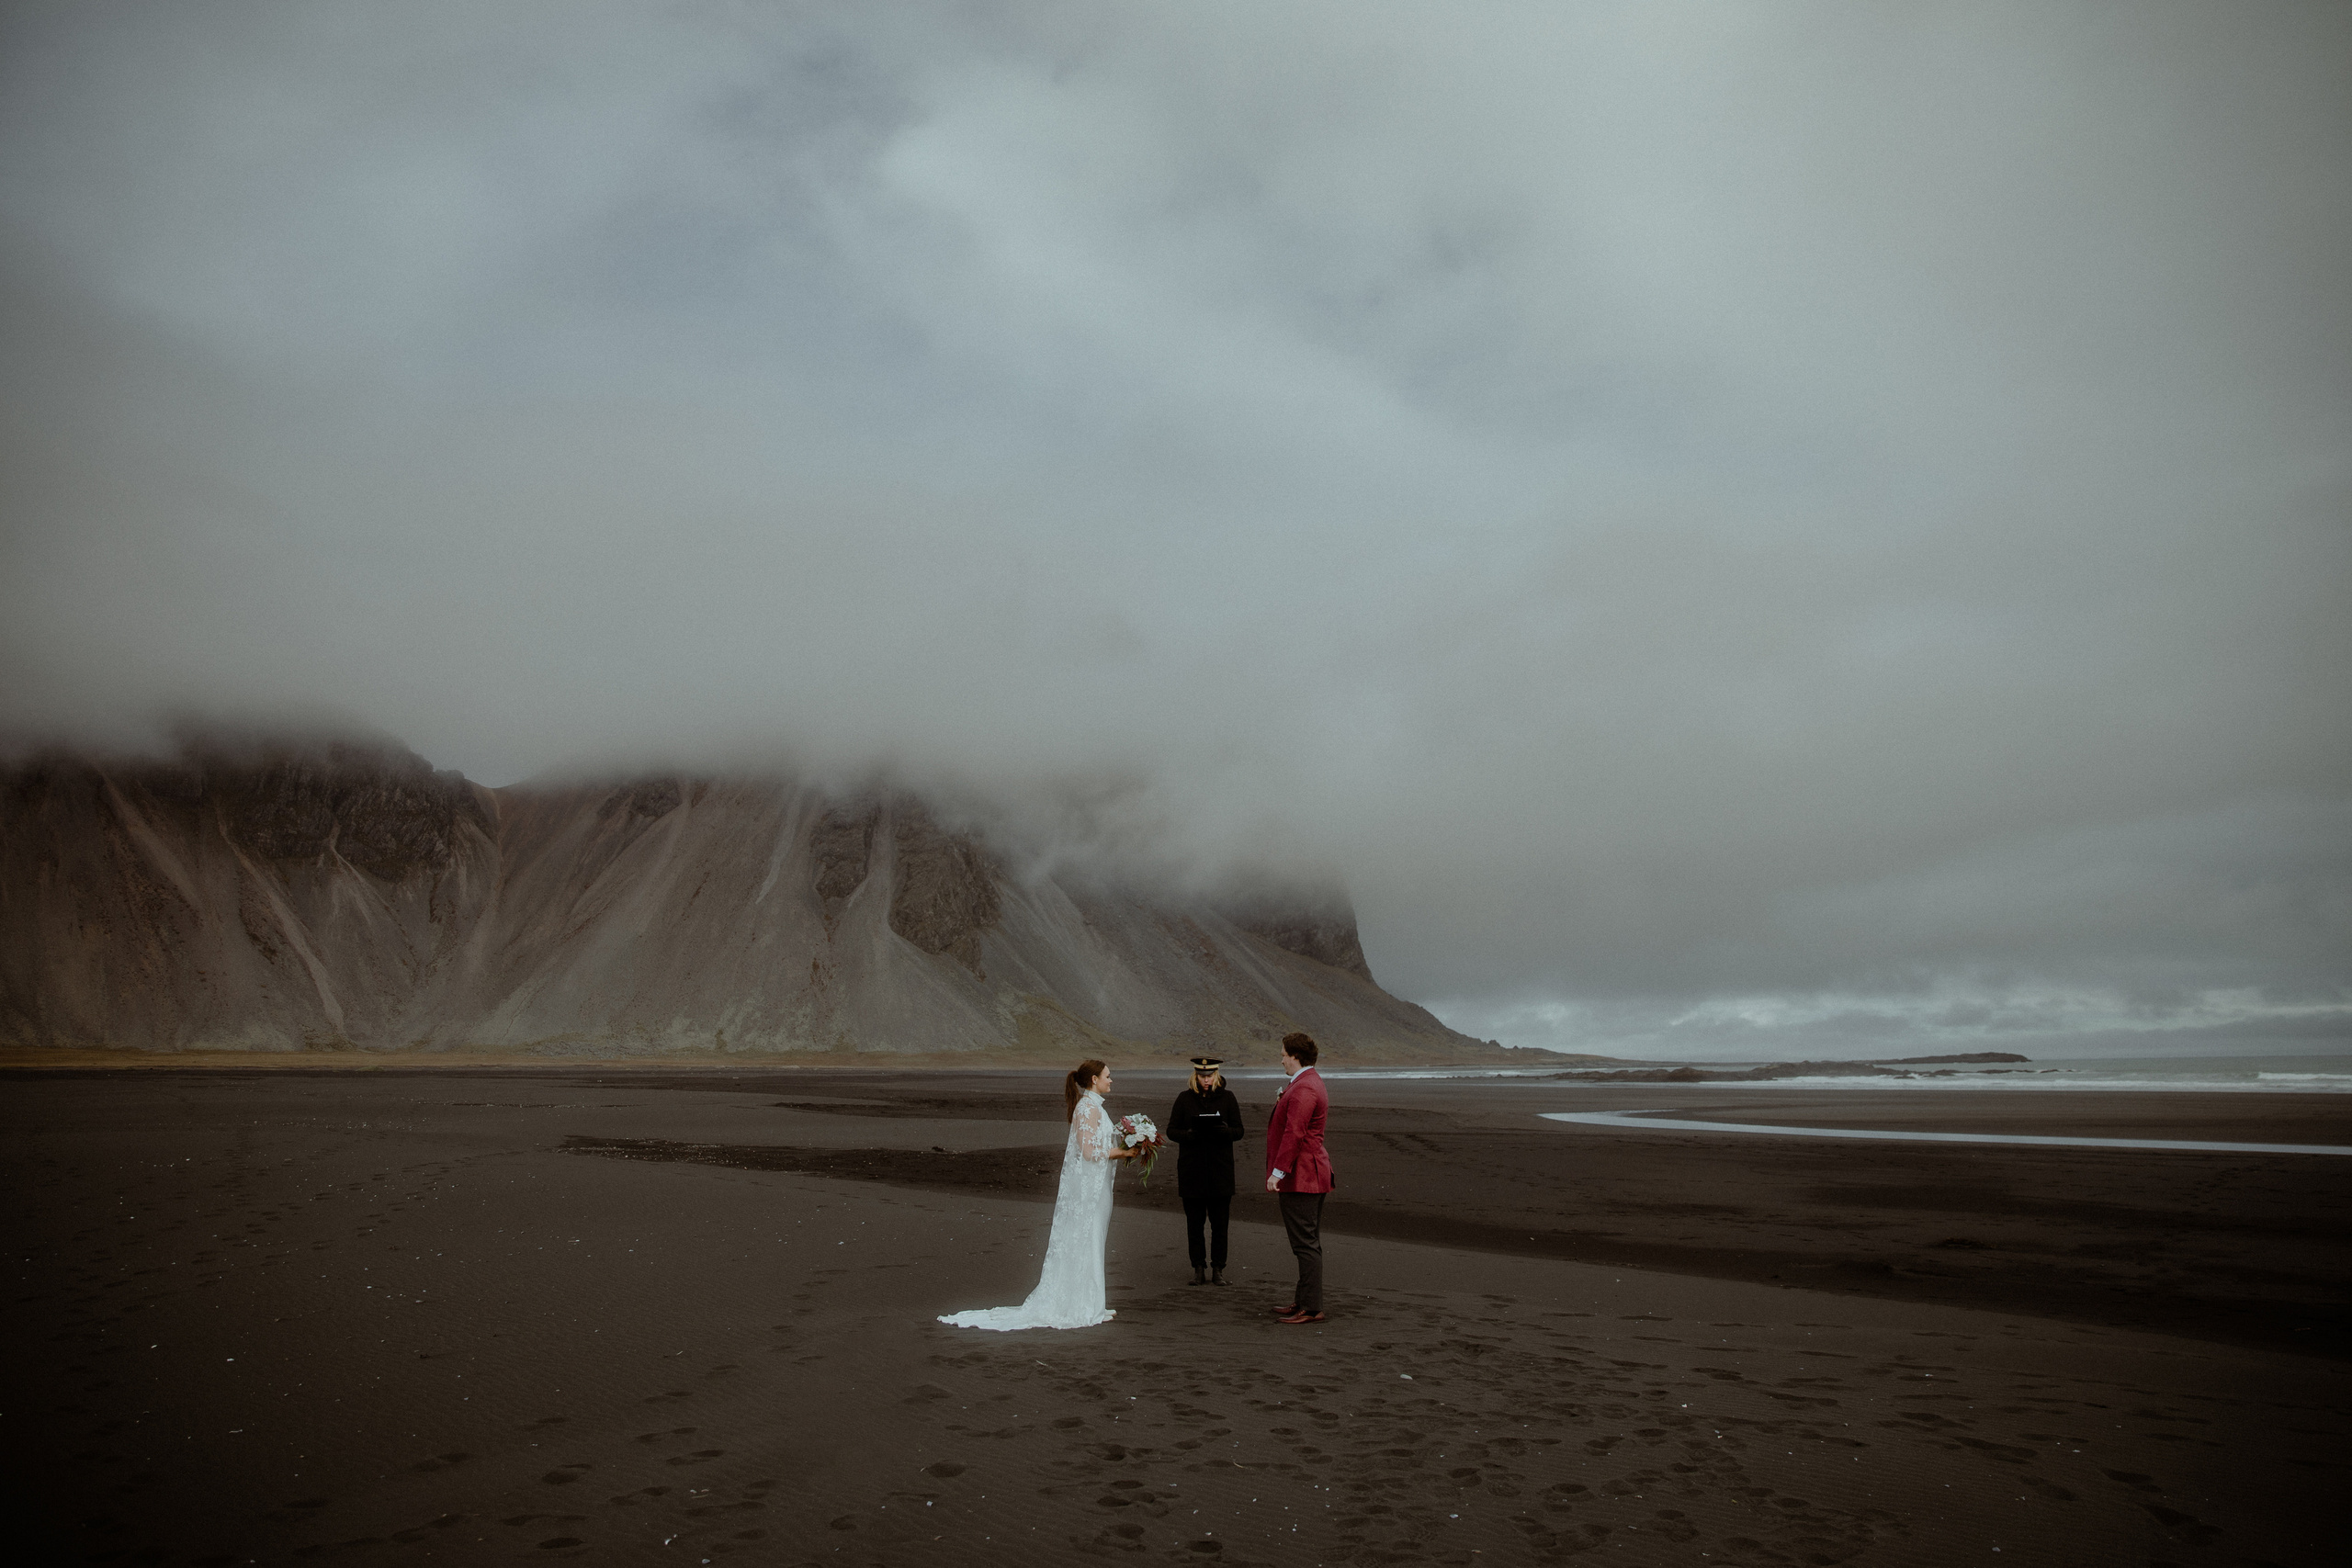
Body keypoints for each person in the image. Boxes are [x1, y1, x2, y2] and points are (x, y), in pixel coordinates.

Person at [938, 1059, 1140, 1331]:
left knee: (1092, 1238)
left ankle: (1092, 1302)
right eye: (1107, 1076)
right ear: (1094, 1079)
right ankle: (1083, 1305)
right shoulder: (1087, 1108)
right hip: (1089, 1189)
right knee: (1087, 1238)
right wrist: (1122, 1152)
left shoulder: (1095, 1107)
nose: (1111, 1080)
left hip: (1096, 1185)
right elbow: (1088, 1151)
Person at [1264, 1032, 1333, 1324]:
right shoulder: (1306, 1082)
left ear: (1295, 1056)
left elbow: (1295, 1133)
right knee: (1306, 1242)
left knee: (1305, 1243)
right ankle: (1304, 1300)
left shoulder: (1306, 1087)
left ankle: (1312, 1307)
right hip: (1308, 1174)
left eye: (1283, 1055)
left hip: (1303, 1176)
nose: (1281, 1060)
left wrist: (1277, 1172)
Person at [1168, 1055, 1246, 1285]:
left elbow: (1239, 1130)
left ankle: (1218, 1269)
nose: (1206, 1080)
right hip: (1192, 1171)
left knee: (1220, 1225)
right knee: (1195, 1224)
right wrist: (1188, 1135)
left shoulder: (1228, 1098)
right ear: (1195, 1075)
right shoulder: (1184, 1099)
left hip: (1220, 1172)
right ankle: (1198, 1268)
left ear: (1216, 1075)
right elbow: (1171, 1130)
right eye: (1202, 1076)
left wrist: (1225, 1131)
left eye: (1209, 1076)